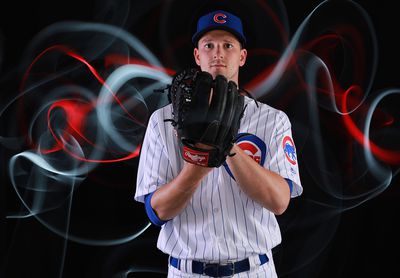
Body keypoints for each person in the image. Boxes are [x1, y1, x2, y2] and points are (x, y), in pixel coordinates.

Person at [135, 9, 303, 277]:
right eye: (209, 45)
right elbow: (157, 212)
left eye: (228, 45)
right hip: (187, 271)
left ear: (242, 56)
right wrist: (198, 164)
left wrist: (228, 147)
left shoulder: (272, 120)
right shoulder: (162, 121)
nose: (218, 53)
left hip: (253, 270)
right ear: (197, 55)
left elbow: (279, 201)